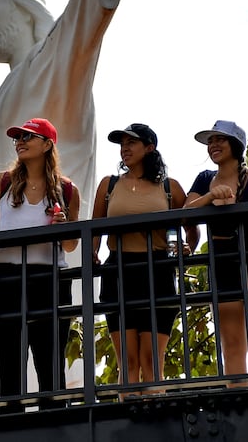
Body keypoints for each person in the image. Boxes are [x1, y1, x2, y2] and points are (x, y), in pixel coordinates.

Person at [0, 0, 122, 394]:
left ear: (25, 11)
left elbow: (79, 31)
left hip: (46, 271)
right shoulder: (13, 86)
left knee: (46, 376)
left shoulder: (50, 69)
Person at [0, 118, 80, 413]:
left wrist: (64, 226)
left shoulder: (68, 189)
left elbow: (72, 245)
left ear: (47, 145)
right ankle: (11, 417)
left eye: (28, 137)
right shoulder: (3, 181)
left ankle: (54, 418)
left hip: (50, 277)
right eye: (18, 137)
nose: (19, 141)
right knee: (9, 354)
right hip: (6, 275)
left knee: (49, 354)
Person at [185, 120, 248, 389]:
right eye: (210, 141)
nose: (213, 145)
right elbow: (185, 212)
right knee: (232, 343)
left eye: (220, 139)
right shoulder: (205, 179)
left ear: (236, 145)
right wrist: (210, 197)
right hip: (223, 265)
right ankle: (237, 400)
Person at [91, 124, 186, 393]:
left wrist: (185, 244)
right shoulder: (109, 184)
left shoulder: (169, 187)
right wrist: (92, 251)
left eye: (132, 142)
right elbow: (95, 226)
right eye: (122, 143)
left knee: (152, 360)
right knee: (128, 361)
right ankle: (129, 423)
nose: (125, 148)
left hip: (158, 270)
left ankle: (157, 423)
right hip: (118, 270)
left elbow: (189, 223)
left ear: (149, 147)